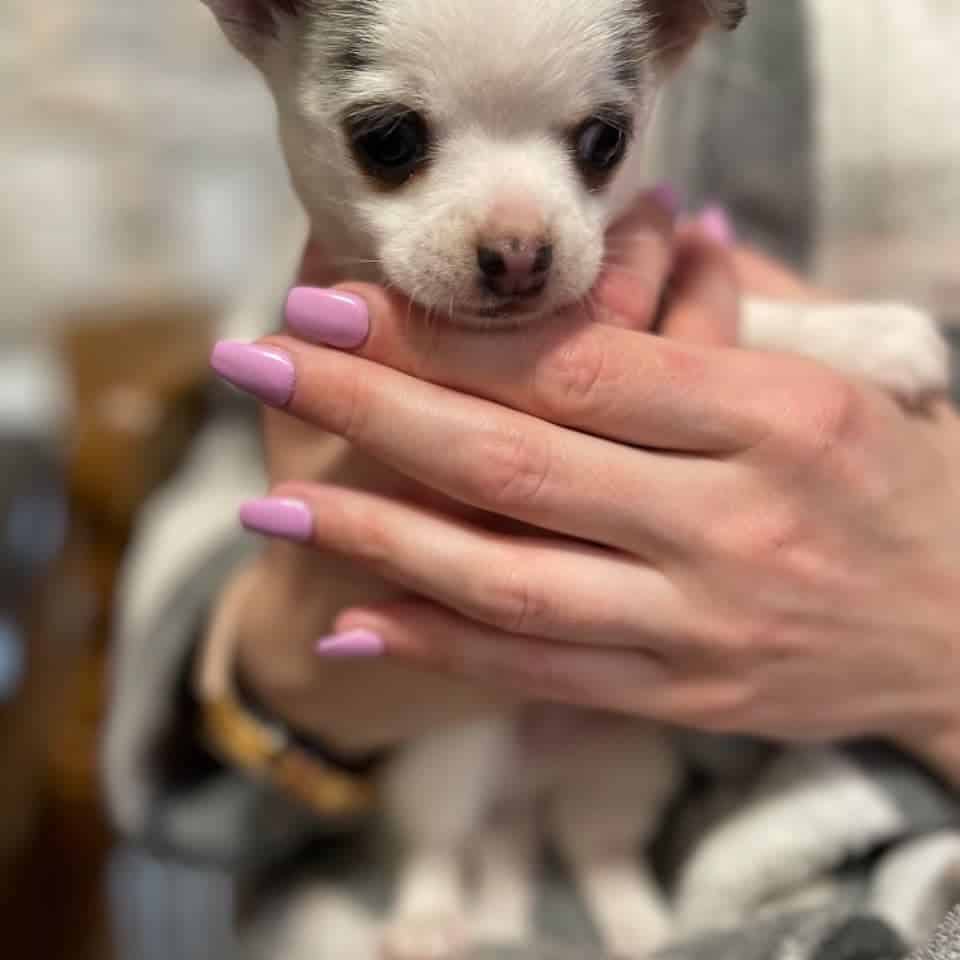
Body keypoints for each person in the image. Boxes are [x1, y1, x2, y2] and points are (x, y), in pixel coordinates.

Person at [104, 3, 960, 957]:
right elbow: (211, 522)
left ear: (678, 35)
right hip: (372, 855)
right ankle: (445, 877)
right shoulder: (321, 272)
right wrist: (271, 660)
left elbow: (704, 339)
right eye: (396, 142)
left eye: (593, 143)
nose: (517, 240)